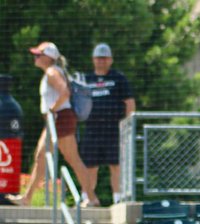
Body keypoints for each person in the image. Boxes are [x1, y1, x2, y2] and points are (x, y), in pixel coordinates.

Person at [7, 42, 97, 207]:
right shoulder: (52, 71)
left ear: (48, 57)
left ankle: (91, 198)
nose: (35, 57)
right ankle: (27, 198)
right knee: (41, 157)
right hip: (55, 120)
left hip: (59, 119)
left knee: (72, 159)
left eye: (38, 54)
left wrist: (52, 109)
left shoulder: (52, 72)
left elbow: (65, 92)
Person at [79, 43, 134, 205]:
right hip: (92, 130)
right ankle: (88, 198)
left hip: (114, 130)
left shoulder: (119, 78)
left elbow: (129, 103)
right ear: (93, 59)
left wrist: (128, 125)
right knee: (90, 165)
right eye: (98, 58)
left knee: (116, 165)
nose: (101, 61)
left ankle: (118, 198)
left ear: (110, 60)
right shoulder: (86, 79)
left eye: (104, 58)